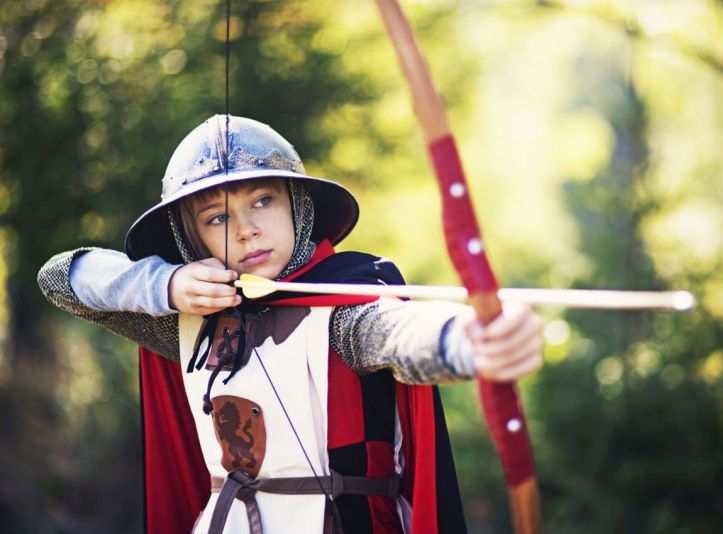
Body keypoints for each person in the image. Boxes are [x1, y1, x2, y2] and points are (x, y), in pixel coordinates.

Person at [38, 115, 544, 534]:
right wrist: (164, 287)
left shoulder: (342, 303)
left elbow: (392, 331)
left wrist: (466, 341)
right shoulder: (185, 322)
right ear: (192, 239)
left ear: (297, 205)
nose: (247, 229)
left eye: (263, 201)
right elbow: (59, 277)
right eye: (217, 218)